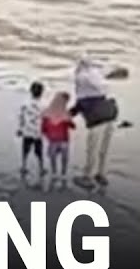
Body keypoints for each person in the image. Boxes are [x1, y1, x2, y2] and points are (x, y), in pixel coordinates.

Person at [71, 58, 119, 189]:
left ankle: (87, 177)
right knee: (104, 150)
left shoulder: (82, 89)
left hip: (97, 120)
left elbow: (76, 108)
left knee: (92, 149)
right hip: (110, 115)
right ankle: (101, 174)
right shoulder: (100, 89)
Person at [42, 91, 75, 181]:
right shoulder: (65, 113)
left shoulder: (46, 112)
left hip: (52, 139)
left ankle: (54, 173)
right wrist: (69, 120)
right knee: (64, 157)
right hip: (64, 139)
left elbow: (43, 128)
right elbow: (73, 126)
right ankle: (63, 173)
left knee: (53, 157)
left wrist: (48, 135)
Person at [18, 81, 46, 176]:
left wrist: (20, 129)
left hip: (27, 131)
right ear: (41, 92)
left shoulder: (25, 104)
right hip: (38, 132)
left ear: (31, 91)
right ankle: (41, 168)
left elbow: (21, 117)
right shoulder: (44, 105)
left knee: (25, 150)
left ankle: (23, 166)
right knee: (39, 152)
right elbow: (46, 119)